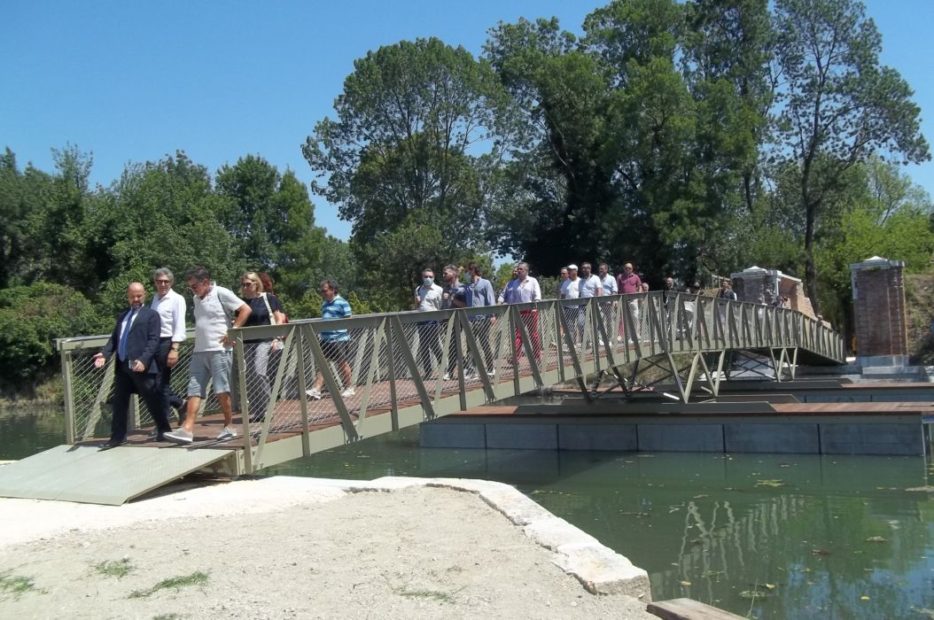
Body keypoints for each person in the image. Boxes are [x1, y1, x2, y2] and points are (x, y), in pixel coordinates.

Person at [164, 267, 251, 445]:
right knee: (194, 389)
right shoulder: (197, 298)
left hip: (219, 349)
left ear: (205, 282)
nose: (192, 290)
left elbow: (245, 309)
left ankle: (229, 426)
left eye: (194, 286)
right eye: (190, 287)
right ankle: (187, 429)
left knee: (221, 389)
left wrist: (233, 331)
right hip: (199, 351)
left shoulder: (221, 292)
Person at [93, 282, 172, 448]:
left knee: (152, 399)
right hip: (123, 366)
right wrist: (104, 354)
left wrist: (144, 360)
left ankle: (164, 429)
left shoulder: (151, 315)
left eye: (139, 296)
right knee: (119, 402)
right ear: (128, 297)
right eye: (132, 296)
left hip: (141, 365)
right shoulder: (123, 316)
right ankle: (117, 437)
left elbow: (154, 341)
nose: (136, 299)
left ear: (144, 295)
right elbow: (115, 339)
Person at [239, 271, 287, 421]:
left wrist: (276, 337)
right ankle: (257, 412)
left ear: (256, 284)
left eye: (248, 284)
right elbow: (238, 322)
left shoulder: (268, 298)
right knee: (249, 377)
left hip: (265, 341)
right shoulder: (241, 303)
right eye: (243, 284)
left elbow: (280, 318)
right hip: (246, 343)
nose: (245, 287)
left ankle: (267, 408)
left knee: (259, 372)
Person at [305, 279, 355, 399]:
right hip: (326, 338)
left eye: (325, 291)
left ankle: (350, 388)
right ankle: (317, 389)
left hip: (339, 338)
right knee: (323, 364)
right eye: (321, 291)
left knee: (342, 363)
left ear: (333, 290)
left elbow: (349, 319)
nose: (323, 293)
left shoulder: (342, 302)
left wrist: (341, 332)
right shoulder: (325, 303)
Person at [150, 267, 187, 424]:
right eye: (159, 281)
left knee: (161, 382)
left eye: (166, 281)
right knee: (150, 382)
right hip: (153, 343)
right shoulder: (155, 298)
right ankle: (180, 403)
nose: (163, 284)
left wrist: (174, 348)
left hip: (167, 342)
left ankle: (163, 423)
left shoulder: (177, 299)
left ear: (171, 282)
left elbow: (179, 324)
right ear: (155, 282)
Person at [500, 262, 542, 360]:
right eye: (518, 269)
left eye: (521, 269)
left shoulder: (533, 281)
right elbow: (513, 298)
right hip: (519, 312)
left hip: (531, 311)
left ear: (526, 271)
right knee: (518, 334)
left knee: (533, 334)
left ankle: (537, 356)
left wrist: (534, 307)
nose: (518, 271)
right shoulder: (515, 283)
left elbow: (537, 296)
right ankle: (515, 357)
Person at [464, 262, 496, 378]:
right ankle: (472, 371)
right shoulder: (467, 286)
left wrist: (492, 315)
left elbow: (490, 298)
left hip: (483, 319)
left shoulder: (485, 283)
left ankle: (491, 368)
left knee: (485, 344)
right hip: (470, 319)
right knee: (470, 346)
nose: (466, 274)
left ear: (473, 271)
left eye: (468, 271)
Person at [439, 264, 468, 380]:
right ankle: (464, 368)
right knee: (453, 345)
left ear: (453, 274)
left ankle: (454, 370)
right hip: (447, 320)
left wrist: (451, 297)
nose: (443, 275)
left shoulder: (462, 288)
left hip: (458, 320)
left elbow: (464, 305)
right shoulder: (445, 288)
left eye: (446, 273)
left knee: (453, 345)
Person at [415, 268, 444, 378]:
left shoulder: (438, 290)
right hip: (421, 320)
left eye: (430, 277)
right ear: (422, 277)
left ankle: (444, 367)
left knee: (434, 344)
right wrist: (416, 301)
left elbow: (440, 305)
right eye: (425, 276)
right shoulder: (418, 289)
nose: (428, 278)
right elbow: (417, 306)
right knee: (423, 346)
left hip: (433, 320)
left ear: (434, 277)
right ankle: (428, 372)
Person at [617, 263, 643, 343]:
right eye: (626, 268)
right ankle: (628, 337)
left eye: (629, 268)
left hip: (633, 299)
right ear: (624, 268)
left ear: (632, 269)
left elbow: (640, 286)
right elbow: (617, 288)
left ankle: (635, 334)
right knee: (625, 319)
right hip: (623, 300)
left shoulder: (635, 277)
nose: (628, 269)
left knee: (635, 316)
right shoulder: (620, 277)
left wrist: (639, 295)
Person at [560, 264, 584, 345]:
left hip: (580, 307)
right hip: (568, 308)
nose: (569, 272)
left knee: (581, 324)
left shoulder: (581, 281)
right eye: (569, 270)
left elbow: (583, 293)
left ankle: (584, 342)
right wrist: (562, 306)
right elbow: (562, 295)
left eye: (571, 270)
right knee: (570, 327)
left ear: (576, 271)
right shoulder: (565, 283)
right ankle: (572, 344)